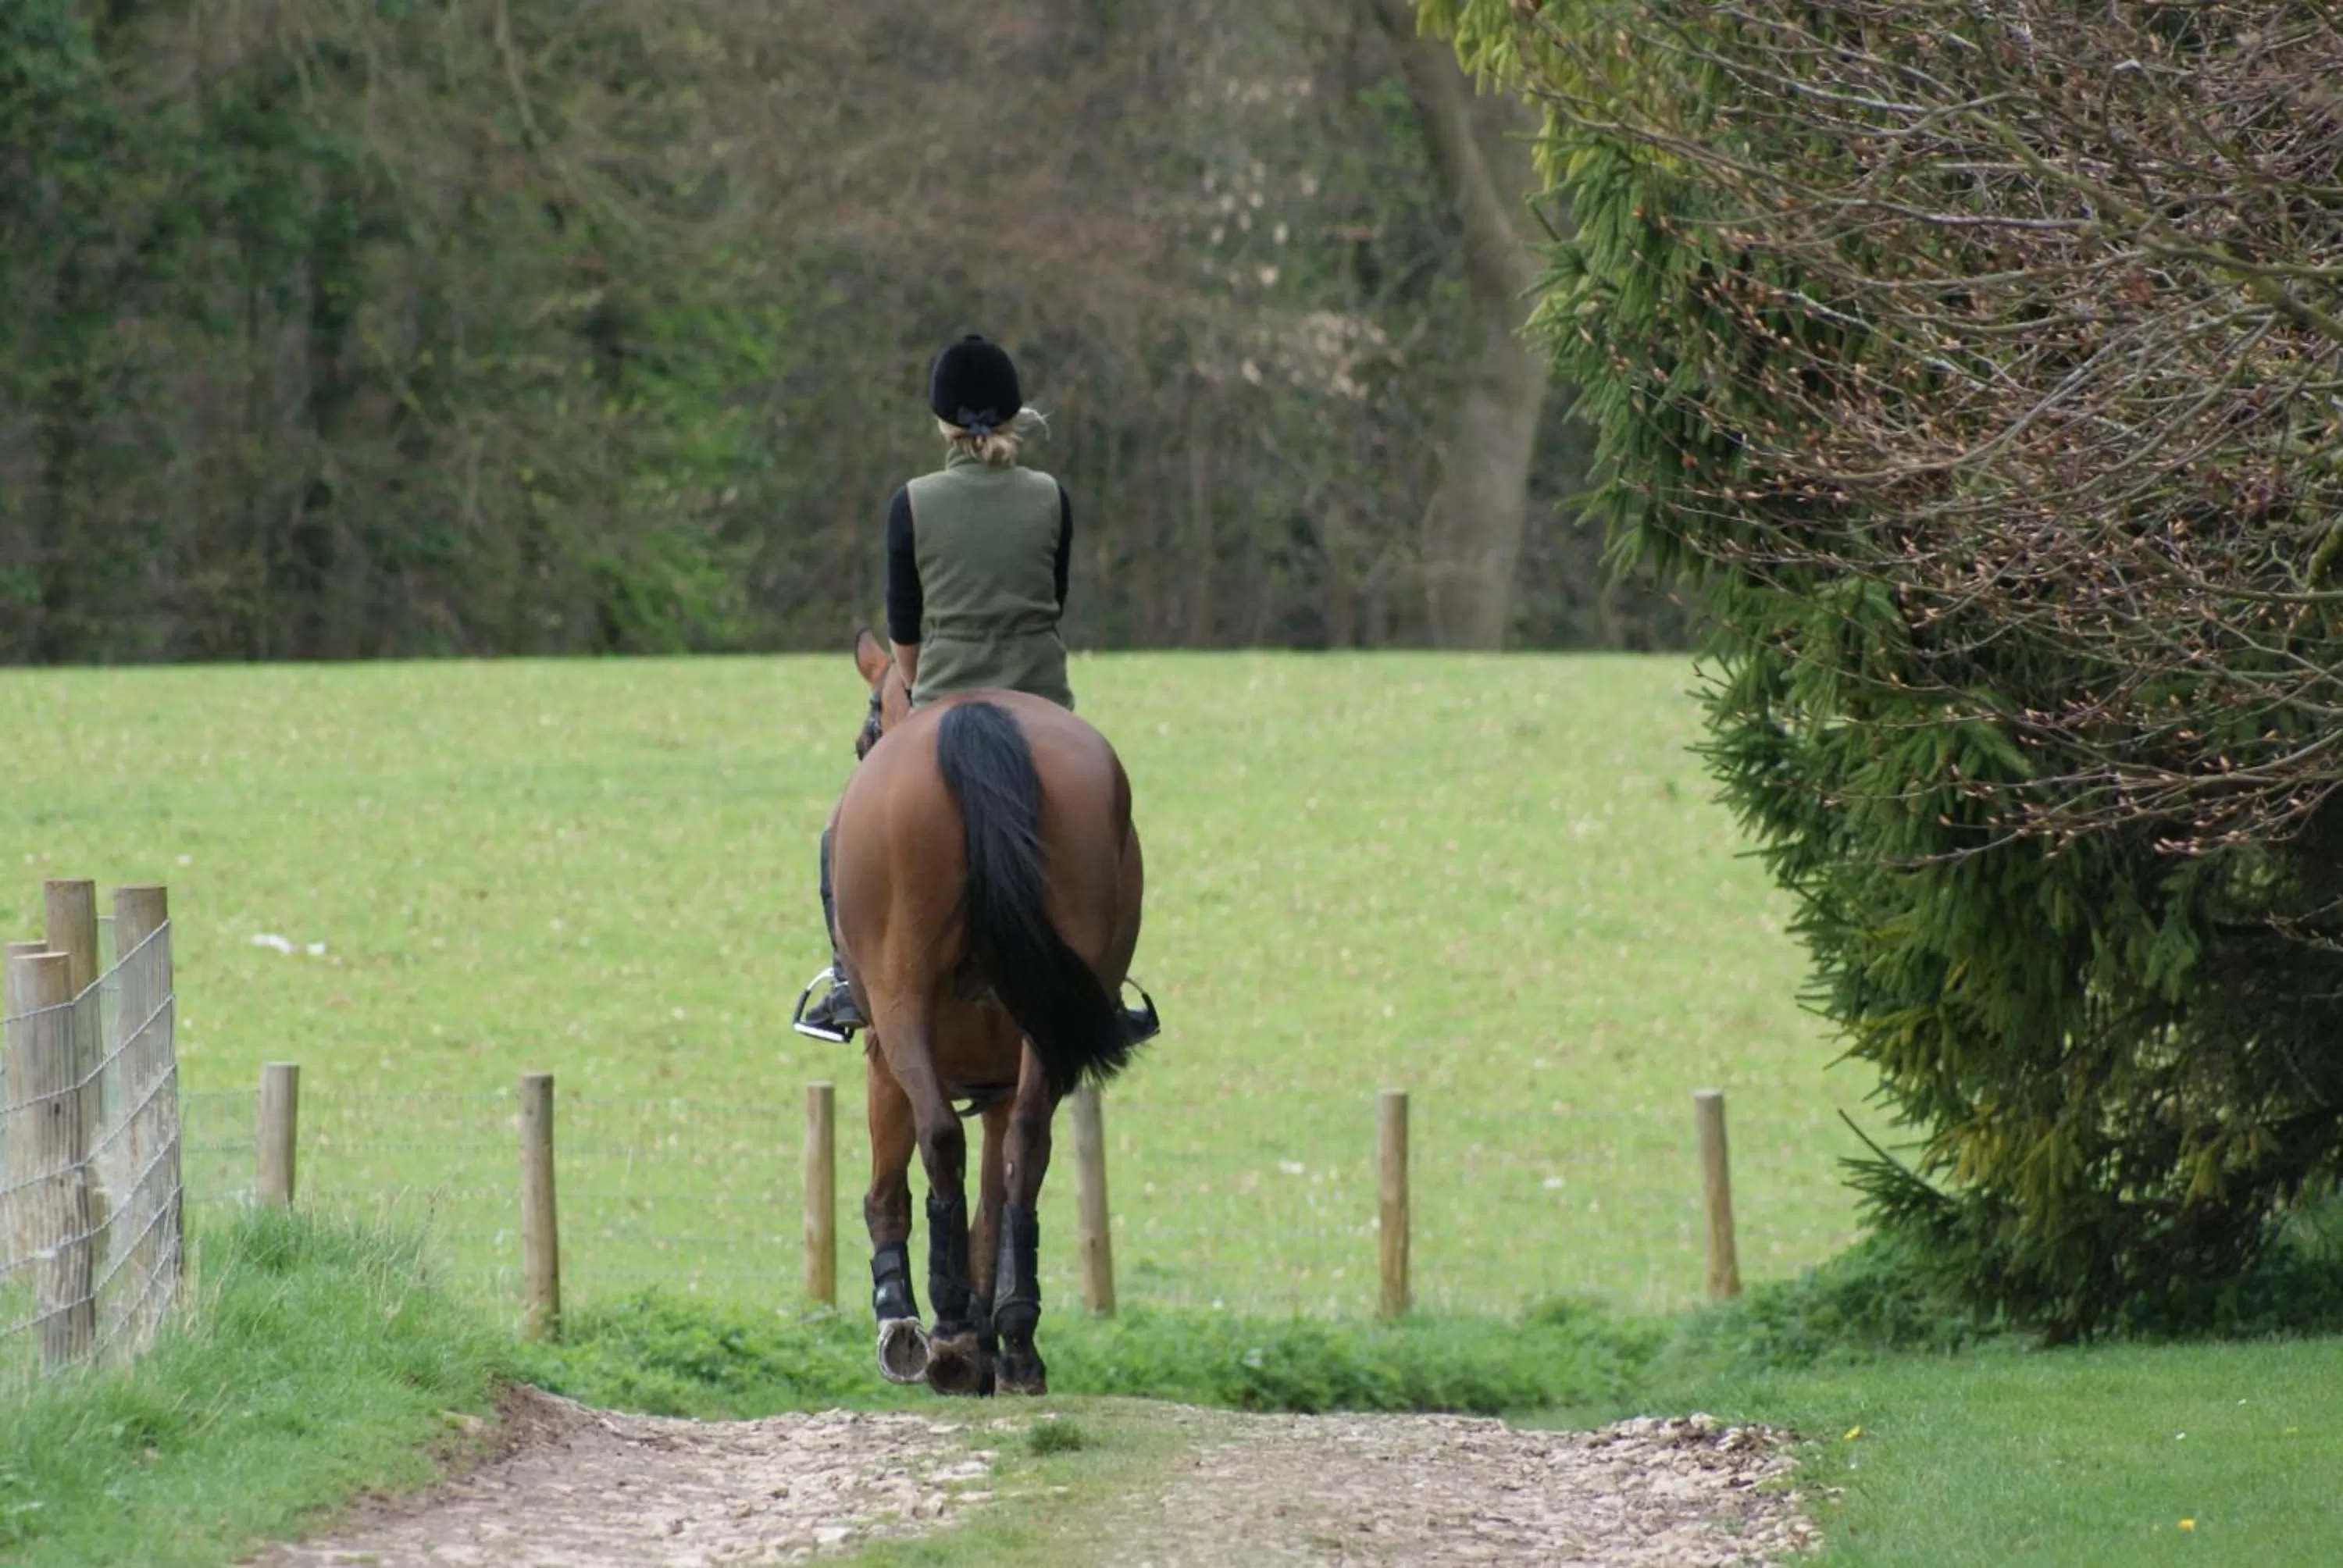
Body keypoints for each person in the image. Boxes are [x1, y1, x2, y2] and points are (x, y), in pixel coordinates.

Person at [798, 334, 1132, 1044]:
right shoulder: (1051, 498)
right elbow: (1053, 600)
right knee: (1109, 829)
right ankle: (1106, 992)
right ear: (1014, 416)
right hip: (1042, 695)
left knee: (839, 831)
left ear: (941, 423)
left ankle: (846, 984)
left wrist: (917, 682)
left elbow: (904, 630)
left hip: (943, 693)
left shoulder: (912, 503)